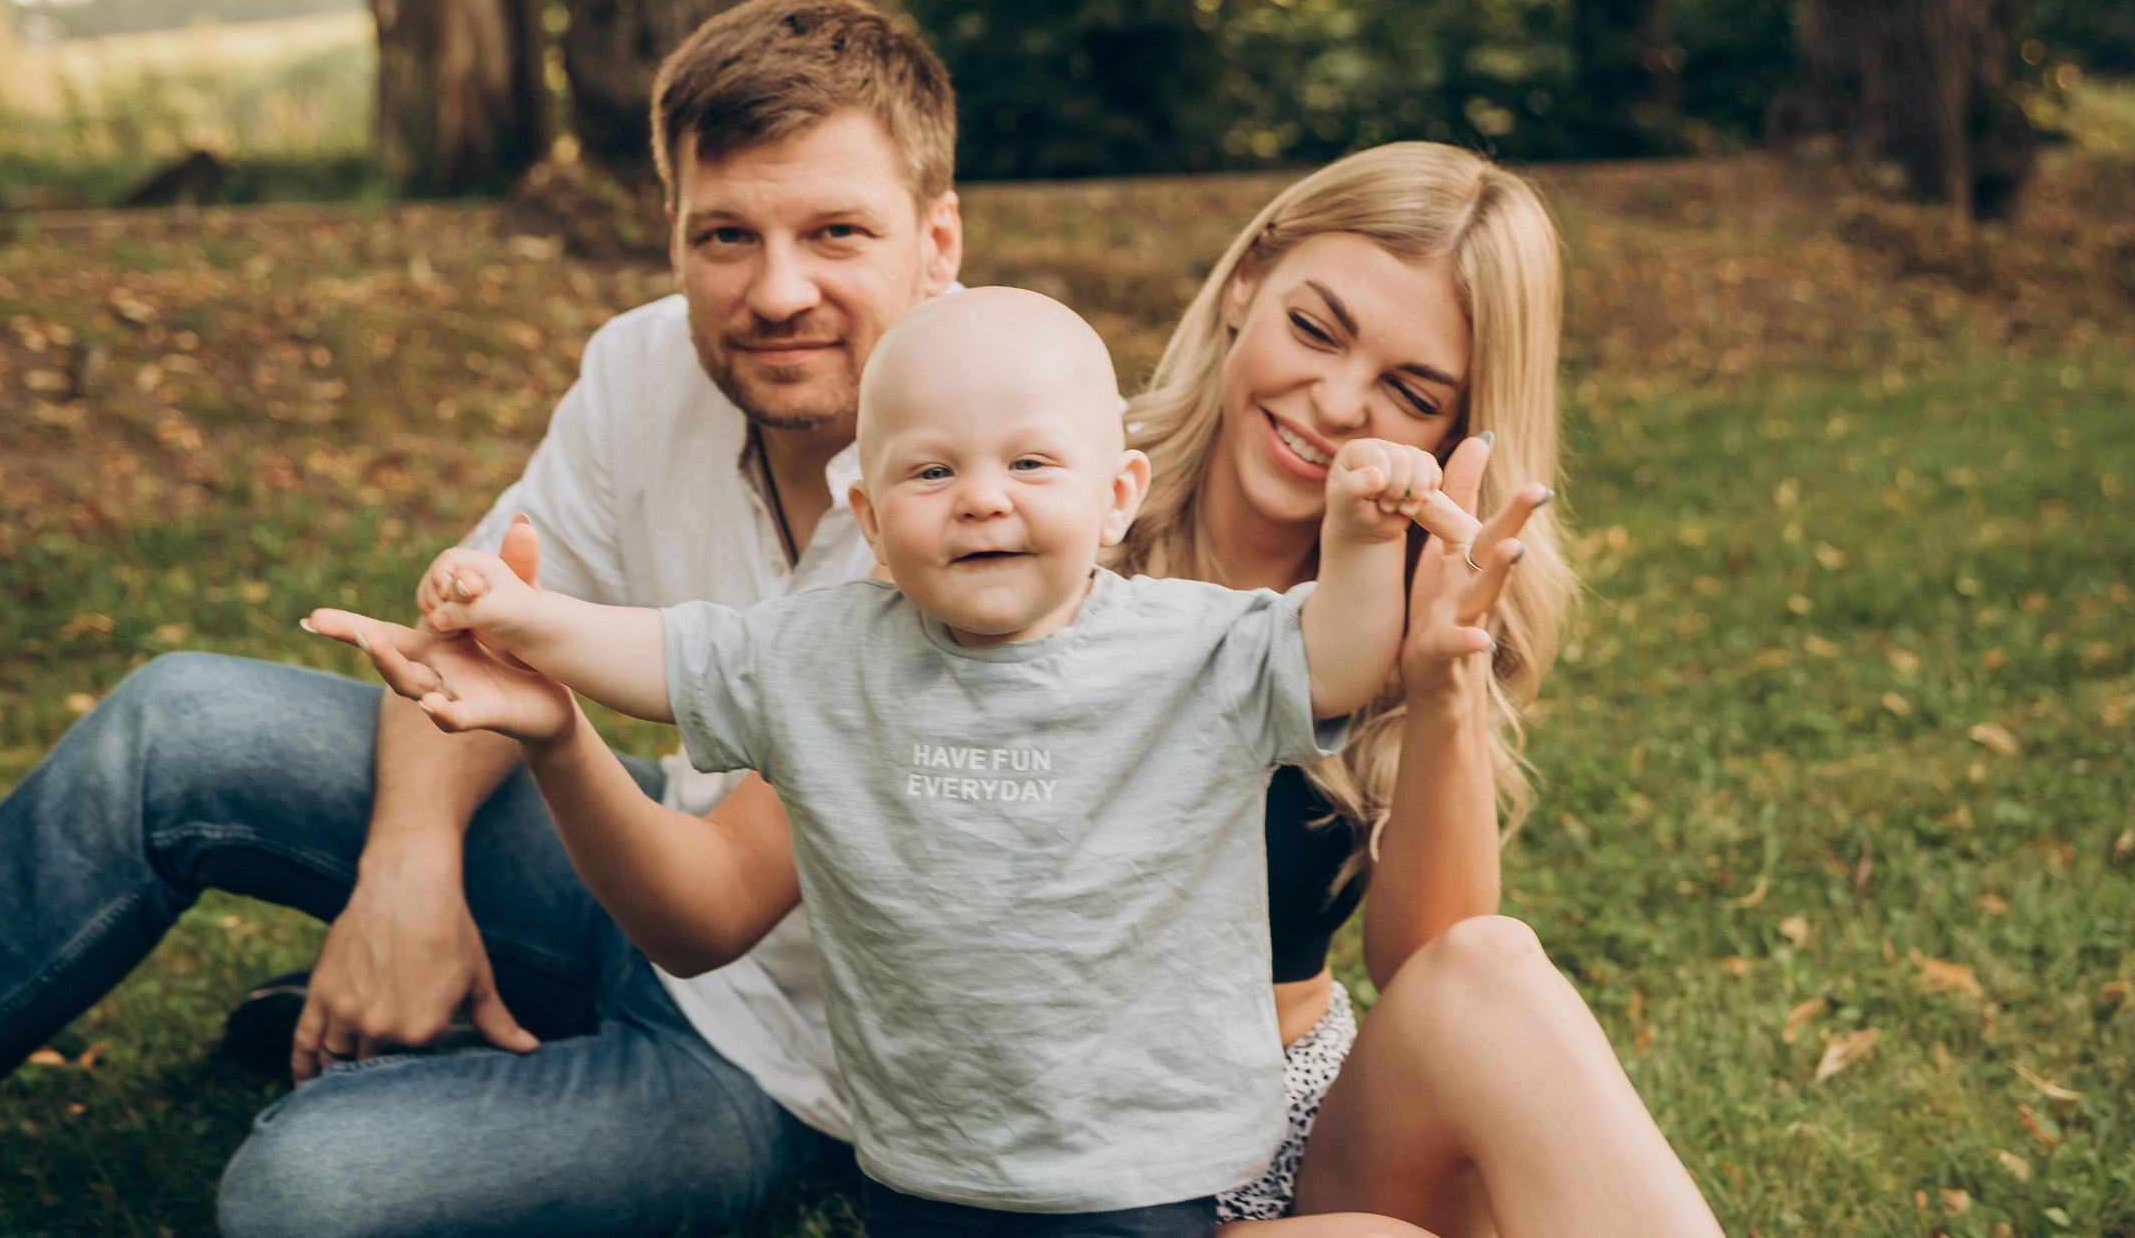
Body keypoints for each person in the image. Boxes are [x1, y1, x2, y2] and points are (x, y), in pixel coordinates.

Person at [0, 0, 971, 1236]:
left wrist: (541, 745)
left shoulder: (990, 489)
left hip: (783, 1054)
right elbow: (475, 638)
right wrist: (409, 869)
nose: (775, 291)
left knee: (306, 1191)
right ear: (672, 234)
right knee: (179, 721)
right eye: (724, 237)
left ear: (938, 244)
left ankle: (449, 1043)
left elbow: (711, 913)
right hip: (634, 855)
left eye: (837, 233)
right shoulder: (648, 362)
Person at [622, 143, 1725, 1237]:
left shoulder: (1406, 589)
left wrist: (1441, 685)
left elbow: (1425, 965)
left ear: (1457, 425)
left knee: (1493, 961)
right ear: (1246, 280)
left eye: (1408, 388)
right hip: (1103, 1167)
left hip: (1312, 1114)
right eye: (1315, 328)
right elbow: (742, 871)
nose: (1336, 401)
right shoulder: (1017, 506)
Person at [309, 286, 1505, 1237]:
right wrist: (522, 621)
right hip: (926, 1151)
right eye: (932, 471)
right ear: (873, 522)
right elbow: (668, 653)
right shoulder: (827, 651)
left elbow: (1342, 661)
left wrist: (1356, 534)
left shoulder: (1189, 646)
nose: (980, 498)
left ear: (1114, 497)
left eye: (1030, 465)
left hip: (1134, 1157)